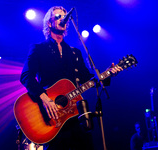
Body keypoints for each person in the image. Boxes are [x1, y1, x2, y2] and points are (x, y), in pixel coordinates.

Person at [20, 6, 122, 150]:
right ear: (49, 23)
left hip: (76, 116)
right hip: (52, 118)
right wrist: (45, 98)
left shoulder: (75, 52)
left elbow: (88, 79)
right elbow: (26, 76)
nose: (63, 19)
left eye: (64, 16)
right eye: (58, 17)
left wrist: (107, 74)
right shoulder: (38, 49)